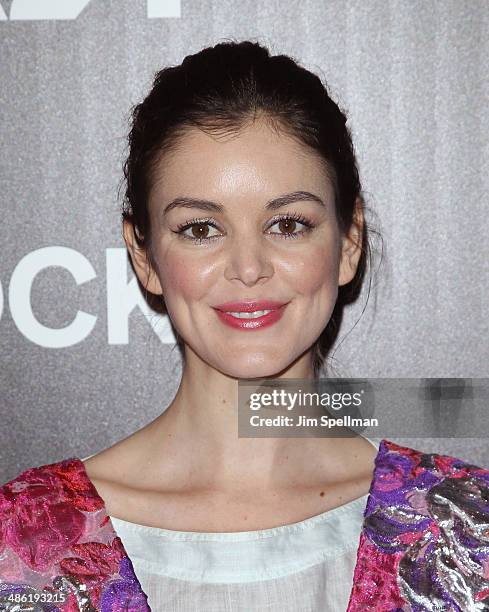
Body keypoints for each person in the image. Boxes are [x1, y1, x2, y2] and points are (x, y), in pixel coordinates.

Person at [1, 39, 489, 612]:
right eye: (200, 229)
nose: (249, 268)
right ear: (144, 255)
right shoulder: (24, 548)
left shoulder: (466, 532)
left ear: (349, 241)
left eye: (287, 223)